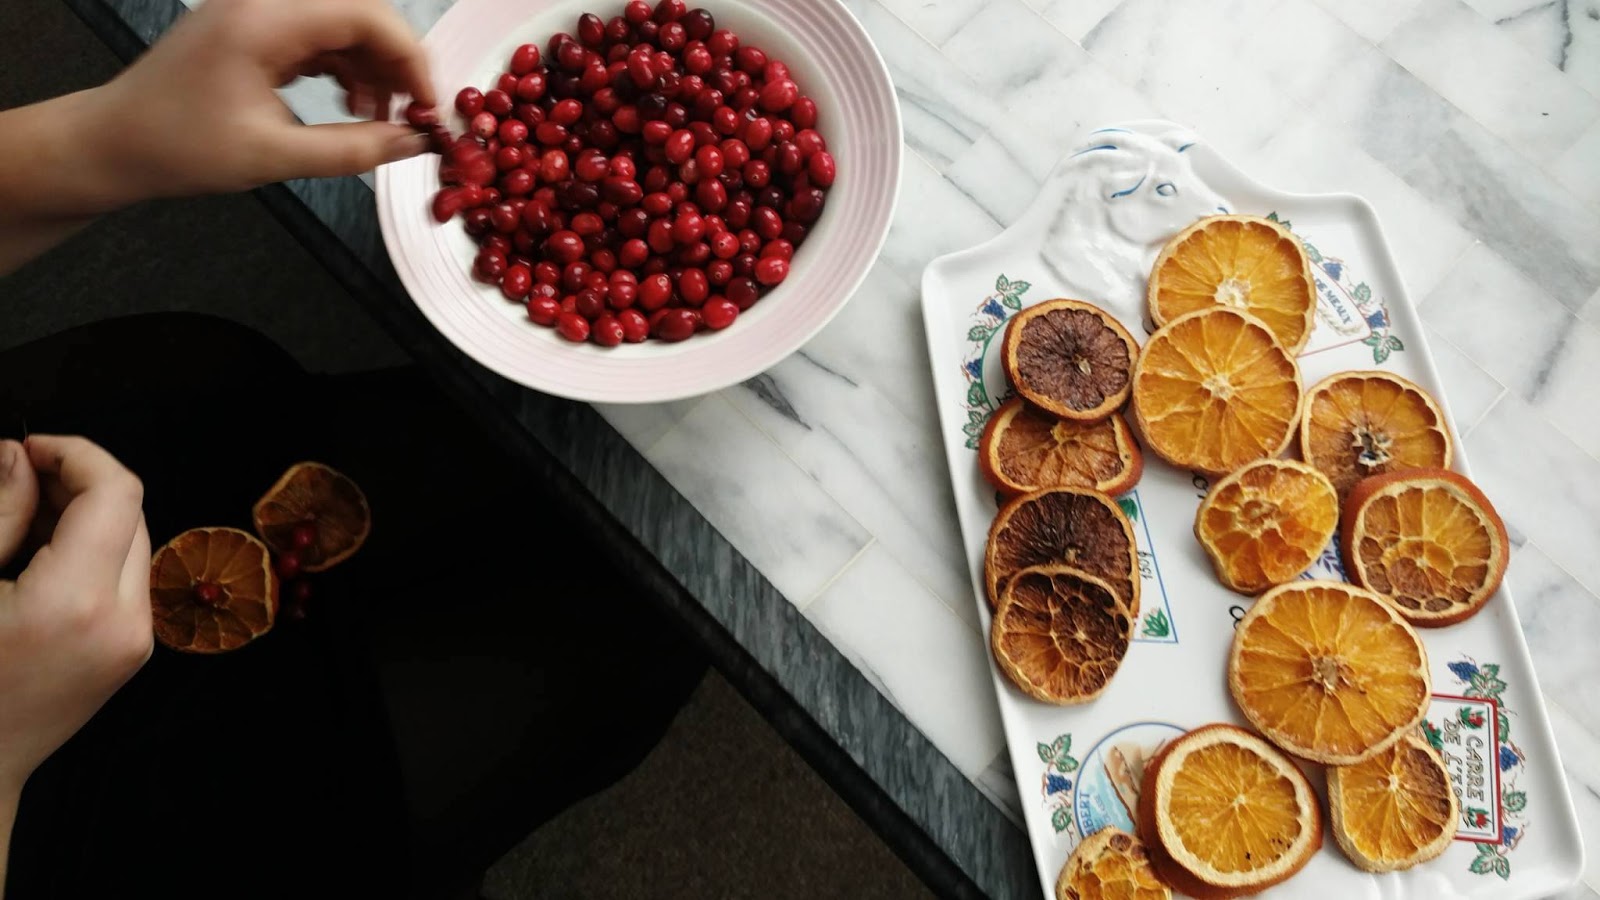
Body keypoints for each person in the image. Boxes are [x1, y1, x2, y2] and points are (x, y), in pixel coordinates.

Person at [3, 3, 703, 897]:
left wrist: (107, 136)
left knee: (571, 477)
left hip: (109, 452)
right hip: (114, 809)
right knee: (643, 616)